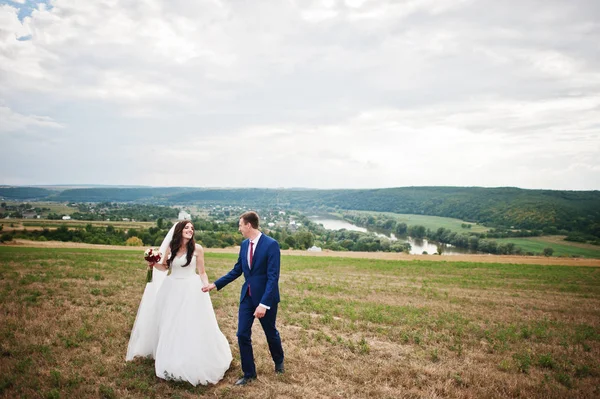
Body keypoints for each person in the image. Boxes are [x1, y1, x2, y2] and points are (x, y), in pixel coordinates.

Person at [126, 220, 232, 386]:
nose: (190, 230)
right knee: (170, 324)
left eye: (192, 228)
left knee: (189, 323)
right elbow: (165, 267)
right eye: (187, 227)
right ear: (180, 231)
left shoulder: (198, 249)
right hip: (172, 288)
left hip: (191, 288)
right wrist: (153, 264)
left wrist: (206, 285)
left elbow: (202, 272)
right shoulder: (171, 247)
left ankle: (191, 357)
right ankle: (170, 358)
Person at [203, 211, 284, 386]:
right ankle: (249, 373)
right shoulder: (244, 244)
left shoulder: (271, 245)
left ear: (248, 225)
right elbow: (237, 270)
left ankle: (279, 361)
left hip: (266, 298)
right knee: (241, 334)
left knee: (270, 333)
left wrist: (263, 304)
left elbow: (273, 277)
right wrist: (215, 284)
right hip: (247, 296)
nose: (239, 228)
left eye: (240, 225)